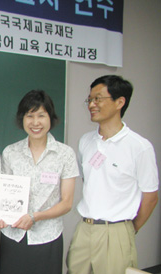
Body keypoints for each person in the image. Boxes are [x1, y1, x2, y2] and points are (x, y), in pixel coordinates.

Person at [66, 75, 159, 274]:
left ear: (120, 102)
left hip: (116, 230)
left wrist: (127, 230)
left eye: (98, 98)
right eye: (89, 99)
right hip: (85, 228)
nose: (91, 104)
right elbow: (89, 180)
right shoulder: (86, 141)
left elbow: (150, 198)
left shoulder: (140, 147)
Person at [0, 89, 79, 274]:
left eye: (41, 115)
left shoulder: (65, 154)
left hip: (48, 237)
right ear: (22, 118)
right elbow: (3, 195)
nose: (35, 122)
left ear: (50, 118)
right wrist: (0, 217)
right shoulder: (10, 152)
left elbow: (66, 203)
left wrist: (35, 217)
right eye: (29, 116)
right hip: (13, 236)